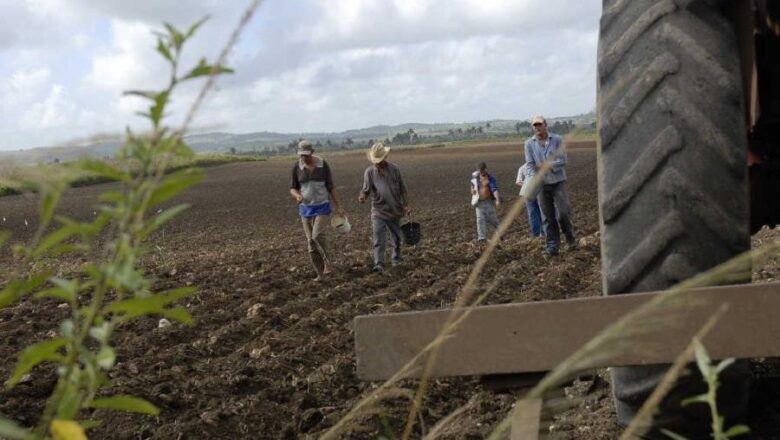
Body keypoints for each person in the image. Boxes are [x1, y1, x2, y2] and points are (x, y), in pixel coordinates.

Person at [289, 140, 345, 280]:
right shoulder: (297, 167)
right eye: (301, 155)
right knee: (311, 243)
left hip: (322, 206)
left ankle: (328, 263)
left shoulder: (323, 165)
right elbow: (293, 188)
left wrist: (339, 206)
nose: (304, 158)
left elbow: (331, 187)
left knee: (317, 235)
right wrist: (297, 196)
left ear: (312, 153)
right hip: (306, 209)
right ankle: (320, 274)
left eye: (306, 155)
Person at [523, 115, 576, 255]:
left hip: (558, 181)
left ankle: (570, 238)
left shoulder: (557, 139)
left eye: (540, 124)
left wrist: (547, 165)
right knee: (547, 217)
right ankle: (552, 246)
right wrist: (531, 177)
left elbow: (563, 159)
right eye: (535, 125)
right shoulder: (529, 144)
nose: (537, 127)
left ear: (546, 125)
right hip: (542, 184)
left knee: (563, 213)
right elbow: (529, 165)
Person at [359, 142, 411, 273]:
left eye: (379, 160)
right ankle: (379, 263)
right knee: (378, 237)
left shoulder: (395, 169)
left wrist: (407, 205)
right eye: (375, 161)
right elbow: (365, 190)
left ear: (385, 158)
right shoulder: (369, 172)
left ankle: (396, 258)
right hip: (378, 210)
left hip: (395, 209)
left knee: (397, 237)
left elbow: (403, 189)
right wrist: (362, 197)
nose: (377, 163)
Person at [470, 162, 502, 243]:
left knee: (493, 220)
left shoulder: (491, 178)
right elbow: (472, 187)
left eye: (483, 171)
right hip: (479, 202)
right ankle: (481, 238)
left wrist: (497, 200)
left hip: (489, 202)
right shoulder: (475, 178)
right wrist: (472, 190)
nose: (481, 173)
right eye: (480, 171)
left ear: (485, 169)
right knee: (480, 220)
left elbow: (494, 189)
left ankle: (500, 234)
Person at [515, 162, 544, 237]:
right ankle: (537, 234)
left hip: (538, 192)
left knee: (537, 213)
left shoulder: (537, 166)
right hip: (530, 193)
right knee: (534, 214)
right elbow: (518, 182)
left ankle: (541, 233)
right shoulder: (523, 168)